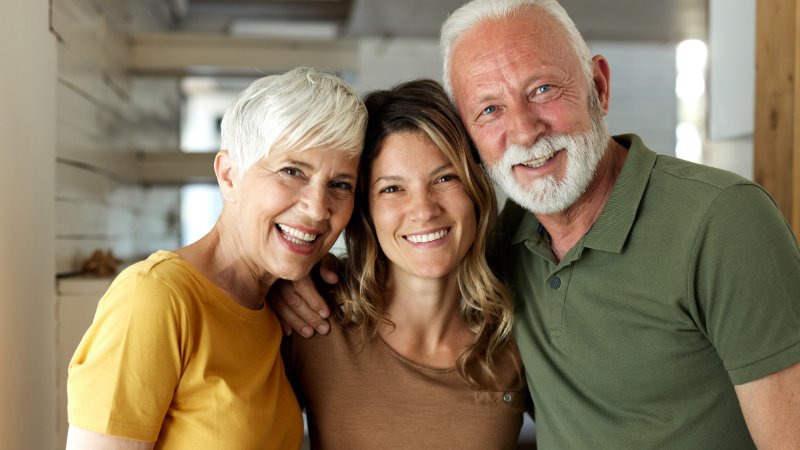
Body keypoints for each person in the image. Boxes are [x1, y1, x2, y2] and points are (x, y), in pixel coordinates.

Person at [275, 1, 800, 448]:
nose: (524, 132)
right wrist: (285, 276)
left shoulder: (722, 219)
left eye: (544, 89)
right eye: (490, 109)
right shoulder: (508, 245)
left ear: (598, 85)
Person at [65, 67, 367, 450]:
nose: (317, 209)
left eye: (340, 185)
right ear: (229, 175)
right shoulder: (154, 297)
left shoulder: (277, 305)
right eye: (292, 171)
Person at [282, 79, 529, 449]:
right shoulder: (312, 318)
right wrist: (277, 280)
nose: (424, 210)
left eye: (445, 178)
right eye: (393, 188)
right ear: (366, 209)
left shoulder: (518, 330)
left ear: (476, 190)